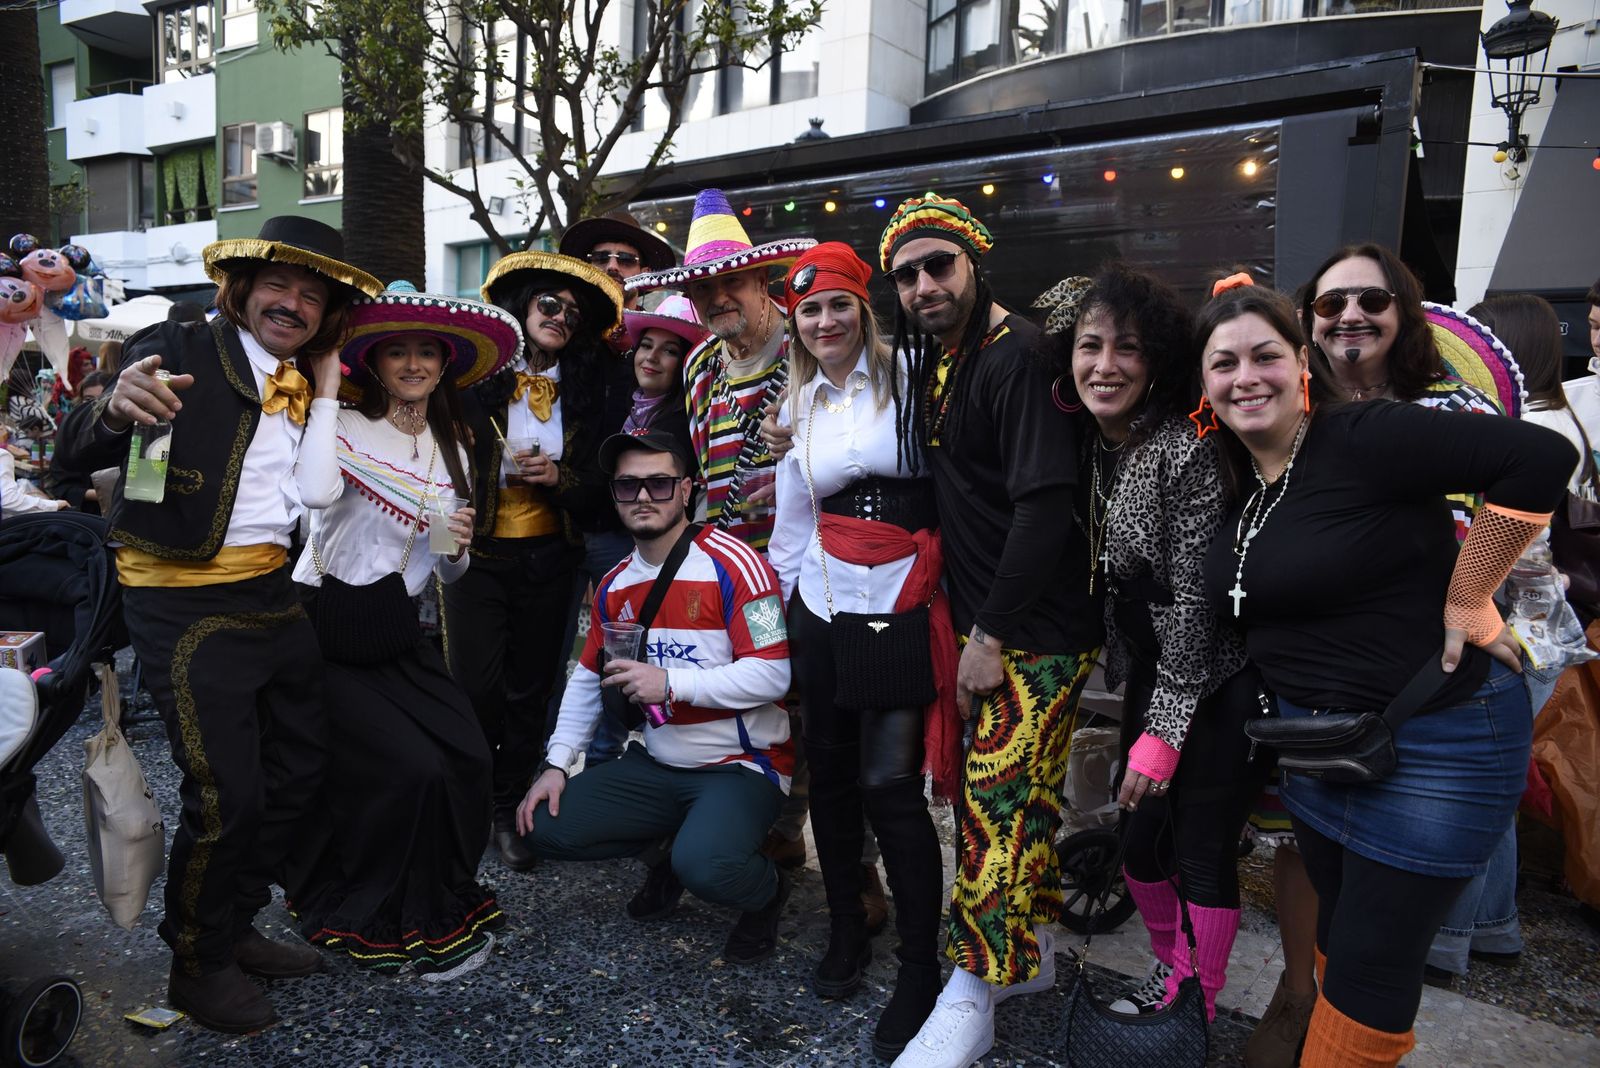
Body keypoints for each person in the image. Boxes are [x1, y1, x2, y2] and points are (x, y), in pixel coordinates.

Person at [1193, 282, 1574, 1066]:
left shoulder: (1361, 433)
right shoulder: (1246, 480)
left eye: (1265, 356)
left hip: (1438, 744)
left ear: (1303, 364)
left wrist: (1470, 593)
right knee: (1340, 936)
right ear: (1204, 383)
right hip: (1327, 753)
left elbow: (1539, 458)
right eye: (1224, 364)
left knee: (1371, 963)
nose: (1246, 378)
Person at [53, 215, 382, 1033]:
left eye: (312, 296)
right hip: (180, 599)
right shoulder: (176, 346)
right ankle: (197, 962)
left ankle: (232, 925)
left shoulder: (307, 380)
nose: (293, 303)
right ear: (241, 290)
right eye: (278, 285)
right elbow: (75, 449)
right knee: (226, 792)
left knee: (299, 771)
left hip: (273, 594)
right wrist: (114, 411)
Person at [877, 194, 1101, 1068]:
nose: (924, 286)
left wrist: (989, 635)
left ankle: (971, 994)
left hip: (1034, 631)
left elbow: (1044, 511)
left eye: (939, 265)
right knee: (1017, 801)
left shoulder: (1022, 357)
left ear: (974, 262)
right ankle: (1025, 957)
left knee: (994, 806)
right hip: (996, 624)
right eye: (907, 275)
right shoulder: (946, 360)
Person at [1034, 266, 1270, 1024]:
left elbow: (1198, 602)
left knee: (1198, 850)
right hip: (1146, 669)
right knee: (1139, 845)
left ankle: (1195, 1003)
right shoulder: (1086, 440)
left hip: (1213, 680)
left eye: (1127, 348)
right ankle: (1173, 972)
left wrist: (1166, 731)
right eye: (1090, 346)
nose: (1105, 365)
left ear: (1157, 359)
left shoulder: (1185, 447)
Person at [285, 282, 518, 981]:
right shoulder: (345, 430)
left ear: (446, 366)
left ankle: (442, 886)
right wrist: (327, 389)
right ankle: (382, 901)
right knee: (410, 769)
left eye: (427, 352)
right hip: (324, 626)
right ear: (374, 363)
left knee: (468, 756)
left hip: (394, 630)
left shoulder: (453, 449)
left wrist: (458, 547)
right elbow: (315, 495)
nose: (413, 364)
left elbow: (446, 570)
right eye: (397, 352)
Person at [767, 242, 954, 1059]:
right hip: (821, 606)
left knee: (891, 786)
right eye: (809, 310)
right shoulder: (799, 405)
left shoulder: (911, 374)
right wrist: (775, 635)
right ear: (796, 324)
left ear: (862, 308)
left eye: (837, 304)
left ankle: (920, 965)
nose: (825, 321)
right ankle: (846, 927)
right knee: (835, 780)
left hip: (904, 603)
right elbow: (790, 528)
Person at [516, 428, 796, 963]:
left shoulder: (736, 564)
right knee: (541, 825)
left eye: (659, 483)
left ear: (686, 490)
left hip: (740, 766)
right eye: (628, 486)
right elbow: (586, 678)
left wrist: (670, 683)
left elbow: (773, 676)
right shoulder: (615, 584)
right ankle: (668, 851)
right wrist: (556, 763)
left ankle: (766, 892)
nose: (643, 496)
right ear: (615, 495)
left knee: (708, 867)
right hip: (658, 764)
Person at [628, 188, 821, 889]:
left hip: (806, 572)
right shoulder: (701, 366)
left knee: (811, 703)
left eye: (730, 282)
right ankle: (762, 829)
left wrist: (804, 455)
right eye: (702, 289)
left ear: (762, 279)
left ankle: (836, 858)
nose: (717, 298)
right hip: (733, 576)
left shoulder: (810, 346)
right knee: (751, 695)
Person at [448, 250, 624, 872]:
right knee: (475, 687)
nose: (560, 318)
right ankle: (464, 806)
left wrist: (559, 477)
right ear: (522, 307)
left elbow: (601, 486)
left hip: (551, 556)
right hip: (477, 557)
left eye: (573, 314)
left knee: (531, 690)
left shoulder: (587, 389)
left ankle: (507, 809)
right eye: (550, 304)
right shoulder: (470, 379)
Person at [558, 210, 677, 312]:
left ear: (645, 274)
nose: (612, 266)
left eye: (626, 259)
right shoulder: (564, 326)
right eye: (600, 258)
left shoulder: (657, 331)